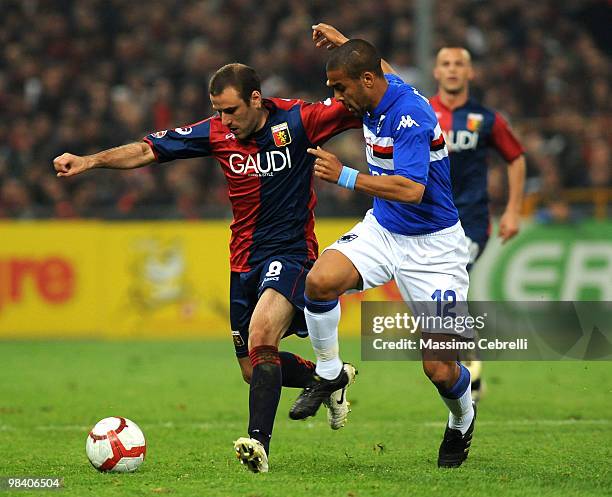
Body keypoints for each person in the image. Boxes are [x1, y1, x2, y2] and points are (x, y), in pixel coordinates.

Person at [53, 63, 361, 473]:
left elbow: (370, 99)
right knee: (253, 371)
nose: (223, 120)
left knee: (263, 332)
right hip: (243, 262)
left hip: (291, 254)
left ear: (256, 99)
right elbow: (148, 149)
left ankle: (258, 444)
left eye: (230, 111)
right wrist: (90, 162)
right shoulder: (216, 133)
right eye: (217, 111)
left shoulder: (300, 120)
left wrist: (358, 62)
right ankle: (330, 378)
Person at [288, 24, 476, 468]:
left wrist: (347, 175)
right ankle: (330, 374)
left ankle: (462, 419)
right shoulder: (376, 89)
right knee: (319, 281)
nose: (336, 98)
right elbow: (379, 67)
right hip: (385, 231)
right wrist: (343, 43)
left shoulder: (410, 116)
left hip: (436, 250)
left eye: (340, 88)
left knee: (440, 369)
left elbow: (411, 189)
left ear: (366, 81)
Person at [430, 47, 526, 402]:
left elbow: (516, 158)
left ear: (470, 73)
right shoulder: (424, 113)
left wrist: (513, 210)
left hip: (470, 222)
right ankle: (469, 364)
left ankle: (466, 369)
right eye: (446, 64)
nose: (452, 70)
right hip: (430, 222)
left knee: (447, 287)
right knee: (440, 296)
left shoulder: (487, 119)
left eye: (459, 64)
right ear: (436, 72)